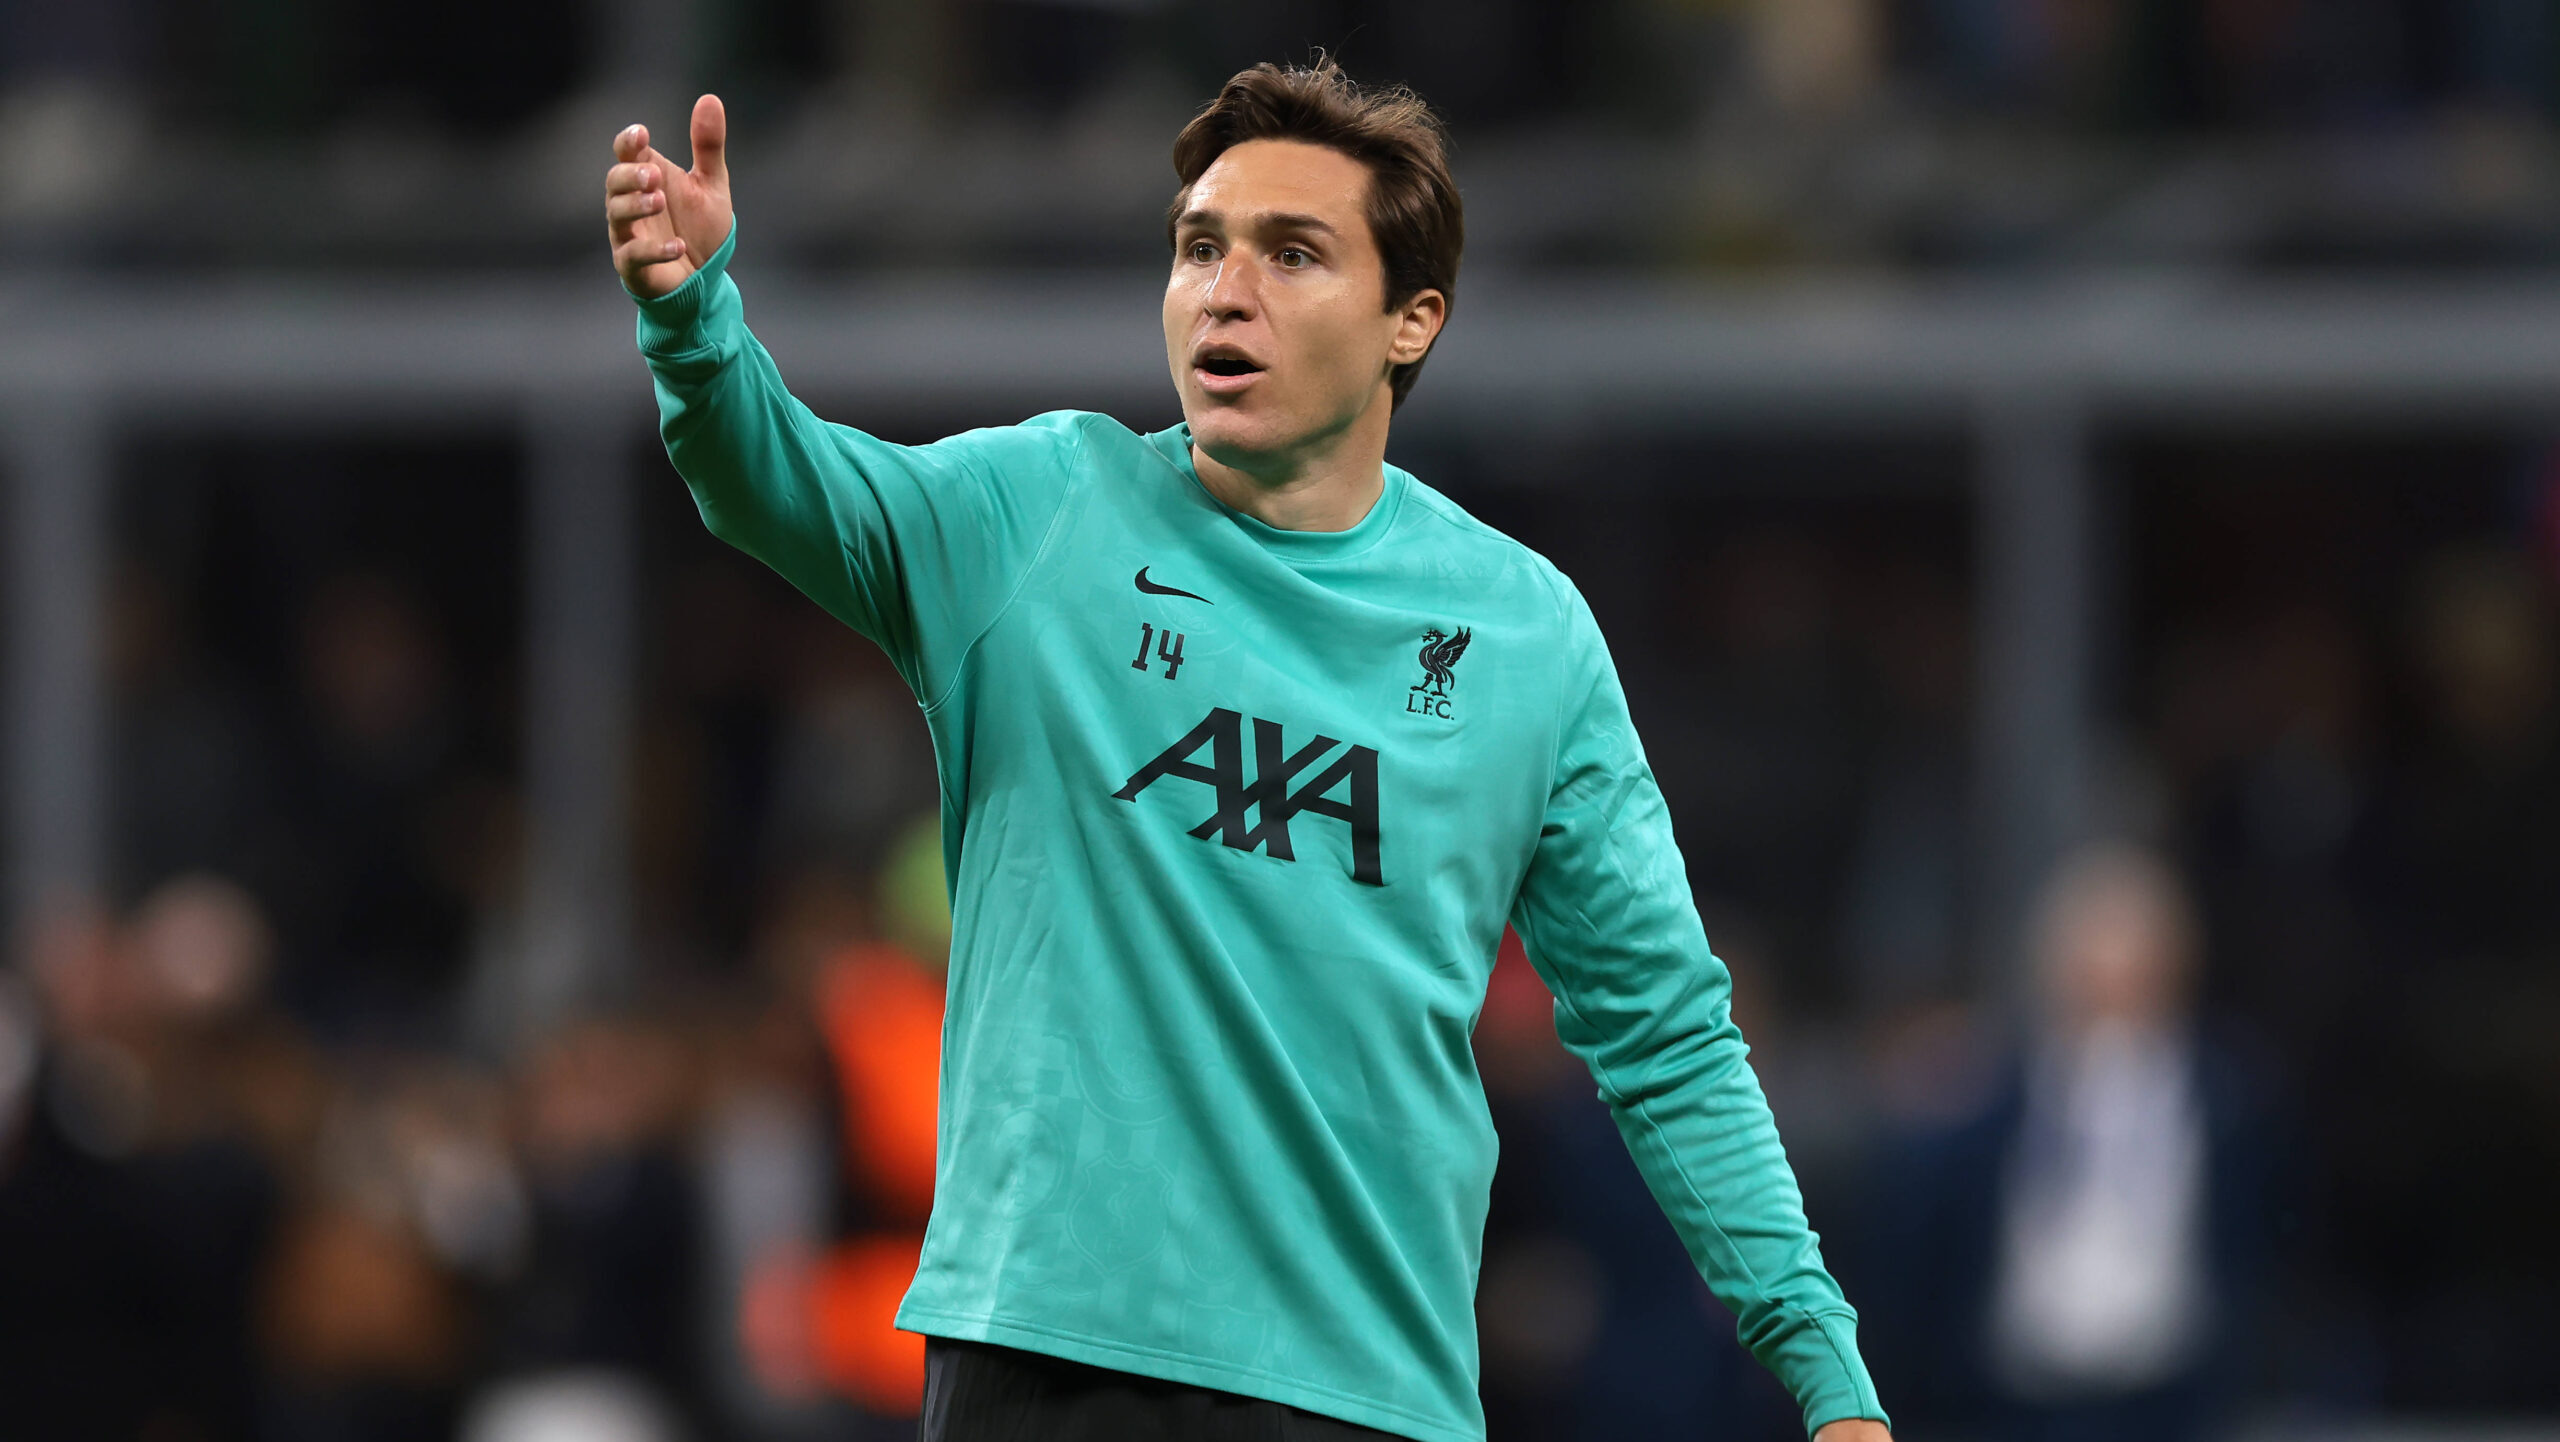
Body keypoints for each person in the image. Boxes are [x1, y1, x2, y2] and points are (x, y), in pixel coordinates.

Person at [602, 59, 1892, 1442]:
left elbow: (1666, 1034)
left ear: (1413, 320)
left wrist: (1826, 1370)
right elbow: (778, 478)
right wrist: (694, 319)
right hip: (1050, 1362)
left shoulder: (1523, 636)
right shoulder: (1041, 511)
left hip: (1363, 1384)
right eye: (1200, 247)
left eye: (1294, 253)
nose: (1227, 288)